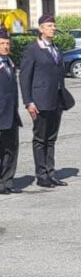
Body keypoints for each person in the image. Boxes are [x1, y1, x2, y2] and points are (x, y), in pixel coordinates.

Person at [19, 14, 71, 188]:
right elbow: (25, 77)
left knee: (51, 138)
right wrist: (28, 101)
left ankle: (51, 172)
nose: (53, 28)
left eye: (54, 26)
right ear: (41, 29)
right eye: (49, 26)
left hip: (56, 100)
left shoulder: (56, 48)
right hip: (40, 100)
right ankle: (41, 175)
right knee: (40, 138)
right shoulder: (32, 49)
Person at [0, 29, 21, 194]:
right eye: (2, 44)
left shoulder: (10, 63)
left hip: (11, 115)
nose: (5, 47)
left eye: (7, 44)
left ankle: (7, 181)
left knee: (11, 149)